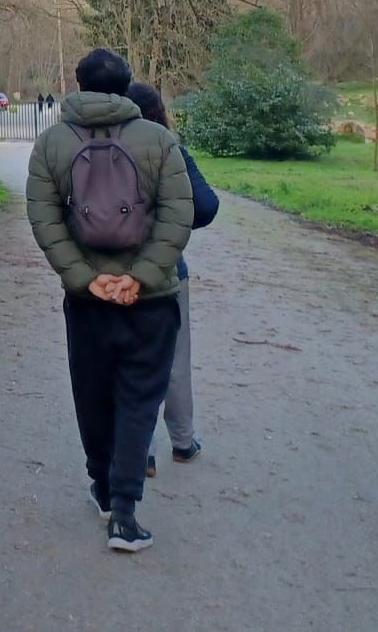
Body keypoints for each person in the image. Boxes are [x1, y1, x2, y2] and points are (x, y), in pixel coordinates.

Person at [27, 47, 193, 552]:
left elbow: (44, 219)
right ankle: (125, 513)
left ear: (77, 84)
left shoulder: (53, 142)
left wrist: (84, 277)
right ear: (128, 85)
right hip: (152, 298)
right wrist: (140, 277)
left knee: (92, 394)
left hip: (87, 300)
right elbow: (178, 215)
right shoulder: (159, 140)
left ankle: (102, 487)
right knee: (140, 398)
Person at [126, 80, 219, 474]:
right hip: (168, 272)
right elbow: (206, 206)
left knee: (132, 364)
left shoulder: (112, 153)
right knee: (175, 361)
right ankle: (182, 441)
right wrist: (174, 227)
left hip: (120, 274)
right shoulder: (173, 151)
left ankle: (141, 451)